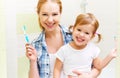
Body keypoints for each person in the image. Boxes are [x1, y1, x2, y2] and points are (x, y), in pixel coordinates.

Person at [25, 0, 117, 78]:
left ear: (60, 13)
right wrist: (33, 61)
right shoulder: (35, 45)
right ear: (38, 14)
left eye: (54, 14)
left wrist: (89, 76)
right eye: (45, 14)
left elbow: (97, 67)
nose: (50, 20)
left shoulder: (76, 37)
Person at [53, 13, 117, 78]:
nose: (81, 35)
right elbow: (57, 69)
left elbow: (99, 66)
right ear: (73, 28)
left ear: (92, 36)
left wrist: (110, 56)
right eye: (79, 30)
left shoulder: (92, 49)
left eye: (86, 33)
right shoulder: (64, 50)